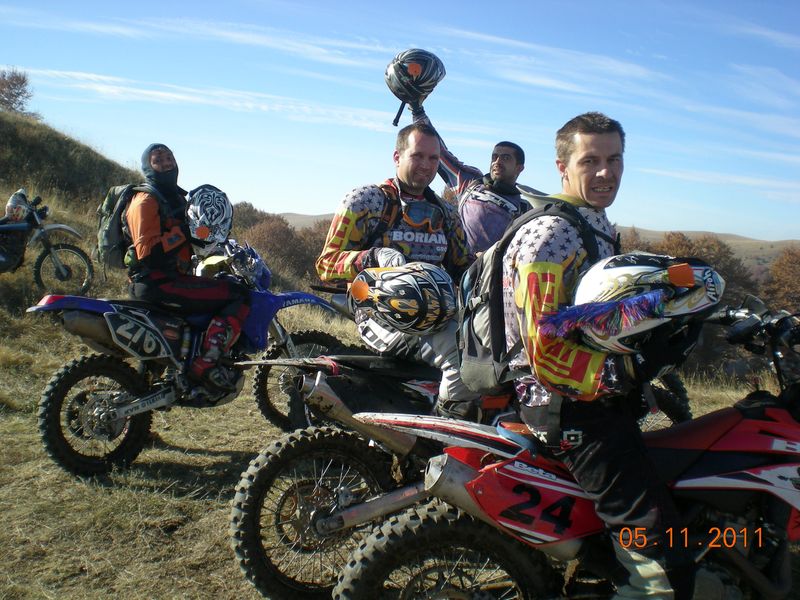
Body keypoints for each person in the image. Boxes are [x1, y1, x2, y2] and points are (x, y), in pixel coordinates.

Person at [502, 112, 696, 598]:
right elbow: (546, 352)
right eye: (590, 160)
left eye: (615, 159)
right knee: (664, 569)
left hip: (595, 399)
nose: (606, 172)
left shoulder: (594, 223)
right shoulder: (551, 234)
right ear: (562, 167)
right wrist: (629, 369)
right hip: (566, 408)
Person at [315, 122, 477, 416]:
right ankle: (440, 432)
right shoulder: (365, 201)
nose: (426, 165)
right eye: (418, 156)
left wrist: (494, 263)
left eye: (433, 158)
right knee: (461, 356)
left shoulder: (447, 213)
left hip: (437, 313)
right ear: (397, 156)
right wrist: (374, 256)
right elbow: (327, 263)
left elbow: (463, 267)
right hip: (377, 313)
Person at [124, 143, 249, 392]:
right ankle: (207, 363)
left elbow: (195, 237)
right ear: (148, 167)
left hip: (170, 279)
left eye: (169, 157)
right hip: (157, 282)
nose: (166, 163)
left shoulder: (176, 198)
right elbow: (147, 253)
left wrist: (212, 238)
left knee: (148, 375)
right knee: (238, 294)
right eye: (158, 160)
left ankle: (141, 405)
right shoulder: (145, 201)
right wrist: (183, 231)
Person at [410, 104, 543, 254]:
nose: (497, 162)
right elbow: (441, 153)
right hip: (456, 264)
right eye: (494, 157)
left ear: (519, 168)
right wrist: (417, 111)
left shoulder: (525, 209)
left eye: (506, 158)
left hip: (493, 268)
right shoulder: (469, 183)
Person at [0, 189, 30, 273]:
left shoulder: (20, 226)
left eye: (16, 208)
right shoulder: (6, 223)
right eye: (11, 208)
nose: (13, 212)